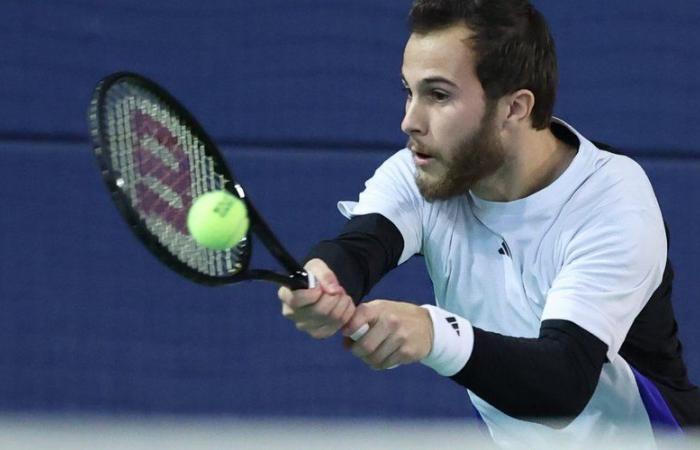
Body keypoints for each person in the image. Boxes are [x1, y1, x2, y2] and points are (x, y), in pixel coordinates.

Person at [277, 0, 700, 446]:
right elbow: (361, 247)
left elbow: (563, 383)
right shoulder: (425, 170)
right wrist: (326, 280)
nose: (410, 121)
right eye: (409, 91)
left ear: (515, 107)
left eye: (438, 95)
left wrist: (433, 332)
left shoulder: (611, 199)